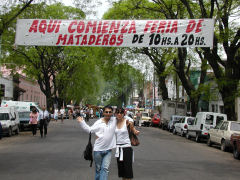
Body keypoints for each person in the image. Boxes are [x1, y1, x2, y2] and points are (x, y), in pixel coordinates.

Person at [77, 105, 116, 180]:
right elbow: (90, 130)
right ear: (103, 113)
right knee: (98, 170)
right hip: (98, 150)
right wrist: (82, 122)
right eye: (106, 112)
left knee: (105, 169)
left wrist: (130, 122)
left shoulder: (114, 120)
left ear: (112, 113)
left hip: (108, 151)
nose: (108, 113)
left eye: (110, 112)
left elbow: (124, 118)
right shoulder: (99, 122)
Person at [115, 107, 139, 180]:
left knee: (128, 171)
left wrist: (135, 131)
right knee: (122, 172)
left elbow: (134, 131)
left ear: (123, 114)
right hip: (118, 149)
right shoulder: (114, 122)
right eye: (117, 112)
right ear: (115, 114)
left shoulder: (128, 122)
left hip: (127, 148)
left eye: (121, 113)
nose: (119, 114)